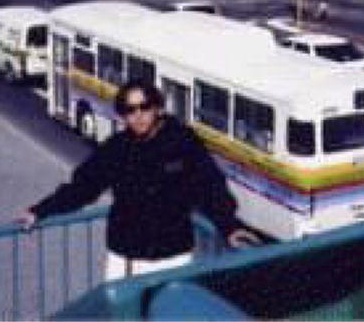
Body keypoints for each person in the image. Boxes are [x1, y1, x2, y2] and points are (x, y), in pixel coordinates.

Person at [20, 79, 259, 279]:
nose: (138, 115)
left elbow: (210, 186)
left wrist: (230, 226)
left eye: (144, 107)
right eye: (129, 110)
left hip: (170, 258)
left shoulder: (183, 142)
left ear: (158, 108)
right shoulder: (116, 148)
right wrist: (40, 210)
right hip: (124, 259)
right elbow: (83, 187)